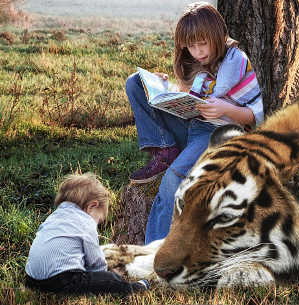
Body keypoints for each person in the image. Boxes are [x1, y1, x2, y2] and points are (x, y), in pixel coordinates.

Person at [125, 1, 264, 244]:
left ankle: (153, 252)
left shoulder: (236, 61)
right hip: (192, 122)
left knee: (172, 178)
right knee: (136, 82)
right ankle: (165, 149)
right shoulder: (198, 64)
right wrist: (162, 87)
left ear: (218, 35)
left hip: (217, 133)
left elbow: (255, 116)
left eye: (203, 44)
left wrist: (226, 109)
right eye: (191, 46)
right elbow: (191, 98)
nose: (198, 51)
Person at [25, 173, 150, 295]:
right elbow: (96, 261)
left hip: (32, 280)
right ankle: (136, 288)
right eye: (99, 220)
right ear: (92, 206)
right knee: (110, 281)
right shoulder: (86, 222)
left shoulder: (54, 217)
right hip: (63, 281)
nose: (96, 223)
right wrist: (106, 275)